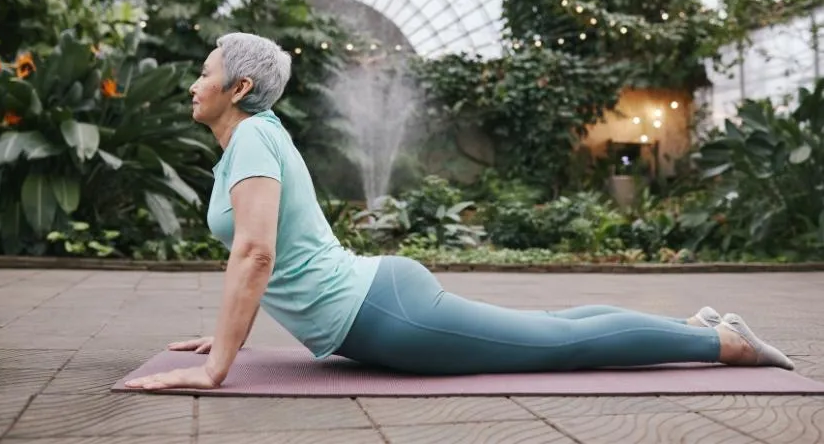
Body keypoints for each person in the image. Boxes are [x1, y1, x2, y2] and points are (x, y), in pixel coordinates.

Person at [124, 33, 794, 391]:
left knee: (559, 345)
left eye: (205, 72)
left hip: (386, 315)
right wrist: (228, 329)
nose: (193, 83)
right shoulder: (252, 141)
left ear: (238, 88)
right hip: (377, 299)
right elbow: (273, 252)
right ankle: (694, 324)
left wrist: (220, 366)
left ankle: (722, 343)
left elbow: (257, 253)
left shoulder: (253, 139)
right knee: (550, 325)